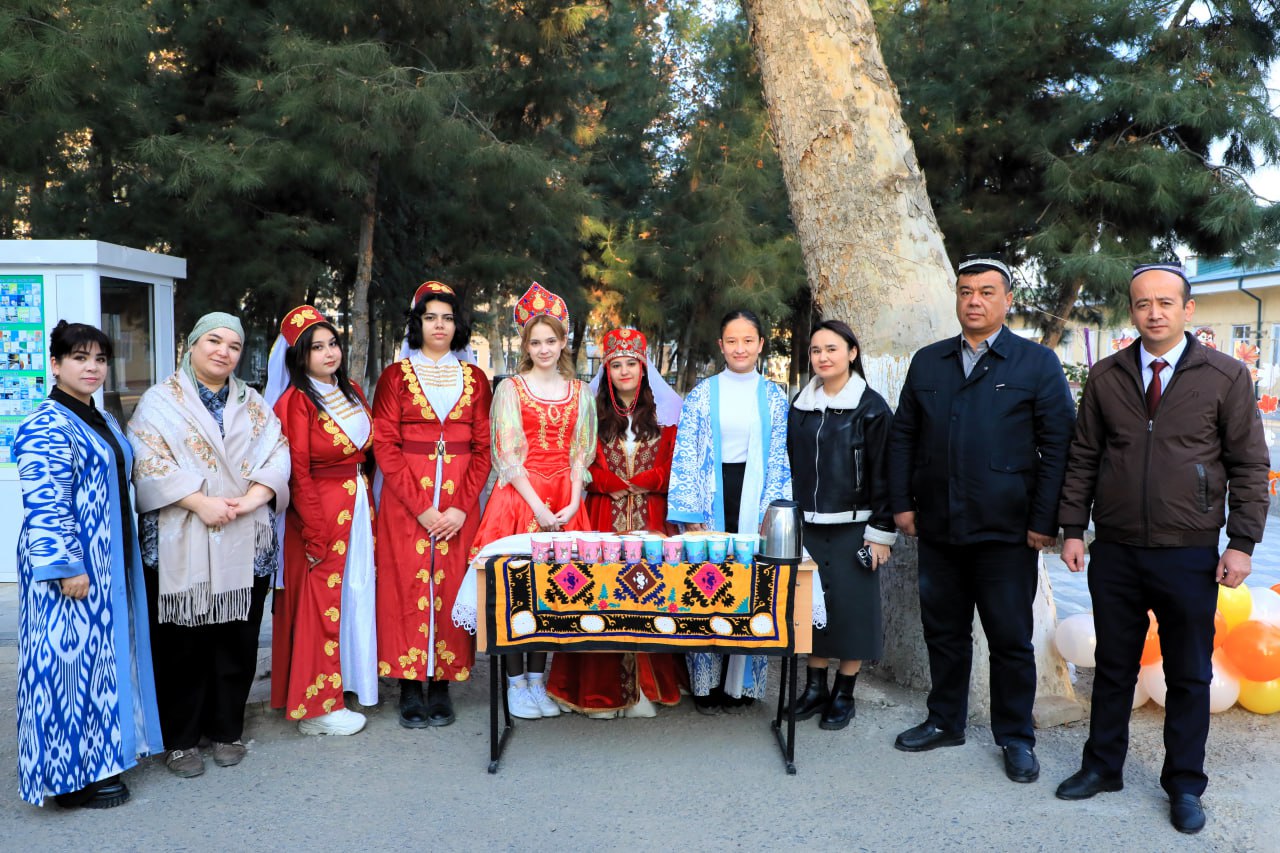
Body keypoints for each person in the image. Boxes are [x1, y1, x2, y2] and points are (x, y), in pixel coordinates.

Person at [1054, 263, 1269, 834]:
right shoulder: (1105, 377)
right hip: (1117, 551)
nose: (1154, 312)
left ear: (1187, 309)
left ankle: (1184, 785)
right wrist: (1072, 528)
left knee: (1189, 674)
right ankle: (1102, 767)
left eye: (1166, 302)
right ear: (1133, 310)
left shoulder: (1224, 377)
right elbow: (1082, 459)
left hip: (1188, 550)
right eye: (1143, 303)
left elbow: (1250, 465)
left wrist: (1242, 542)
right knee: (1114, 666)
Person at [887, 255, 1074, 782]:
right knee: (943, 631)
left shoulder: (1035, 364)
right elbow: (904, 435)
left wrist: (1046, 521)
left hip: (1008, 529)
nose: (975, 300)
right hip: (938, 526)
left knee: (1010, 638)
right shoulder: (928, 361)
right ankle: (945, 720)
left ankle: (1016, 737)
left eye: (987, 292)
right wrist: (902, 503)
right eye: (966, 291)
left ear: (1007, 300)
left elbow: (1058, 445)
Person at [128, 312, 291, 777]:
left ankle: (226, 730)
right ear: (193, 344)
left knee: (237, 640)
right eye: (214, 341)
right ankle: (181, 740)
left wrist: (254, 497)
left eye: (234, 345)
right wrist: (199, 502)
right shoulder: (160, 401)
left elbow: (277, 452)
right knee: (182, 643)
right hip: (183, 532)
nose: (223, 351)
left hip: (244, 532)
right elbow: (146, 460)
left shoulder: (254, 403)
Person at [14, 321, 164, 808]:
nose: (92, 367)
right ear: (55, 365)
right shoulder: (46, 423)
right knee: (63, 667)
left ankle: (97, 762)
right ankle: (66, 778)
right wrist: (65, 566)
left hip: (107, 561)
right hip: (71, 567)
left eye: (99, 359)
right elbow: (45, 502)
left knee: (99, 665)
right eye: (79, 358)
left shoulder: (101, 418)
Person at [545, 327, 687, 717]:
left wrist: (645, 482)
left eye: (631, 364)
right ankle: (600, 692)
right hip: (604, 517)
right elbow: (580, 462)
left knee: (649, 594)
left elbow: (677, 466)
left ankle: (642, 690)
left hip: (650, 519)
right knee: (600, 597)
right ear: (606, 371)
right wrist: (610, 484)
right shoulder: (591, 413)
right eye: (616, 365)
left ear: (644, 369)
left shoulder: (666, 415)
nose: (624, 372)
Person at [470, 282, 596, 720]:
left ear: (563, 342)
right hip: (521, 499)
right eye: (535, 341)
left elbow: (582, 451)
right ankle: (512, 683)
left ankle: (537, 683)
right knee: (515, 591)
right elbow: (507, 453)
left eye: (551, 340)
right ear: (525, 344)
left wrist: (573, 498)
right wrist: (538, 507)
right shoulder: (511, 390)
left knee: (553, 593)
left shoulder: (580, 392)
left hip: (565, 500)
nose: (544, 349)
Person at [374, 281, 493, 727]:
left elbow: (483, 448)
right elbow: (385, 444)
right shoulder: (394, 377)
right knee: (405, 586)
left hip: (460, 501)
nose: (439, 325)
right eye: (430, 317)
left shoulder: (476, 379)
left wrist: (462, 507)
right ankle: (408, 685)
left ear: (456, 324)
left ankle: (442, 683)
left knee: (450, 587)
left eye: (446, 317)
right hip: (407, 503)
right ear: (417, 323)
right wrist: (421, 506)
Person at [667, 309, 792, 713]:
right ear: (721, 345)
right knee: (705, 584)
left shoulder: (774, 396)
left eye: (748, 340)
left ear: (760, 344)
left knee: (752, 585)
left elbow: (780, 457)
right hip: (709, 495)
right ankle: (705, 684)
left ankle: (742, 687)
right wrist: (689, 514)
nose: (740, 348)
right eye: (732, 341)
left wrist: (770, 512)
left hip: (754, 497)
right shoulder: (703, 394)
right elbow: (685, 455)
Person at [265, 306, 377, 736]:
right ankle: (315, 707)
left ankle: (346, 682)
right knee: (318, 605)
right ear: (300, 356)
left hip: (358, 506)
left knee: (353, 594)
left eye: (333, 343)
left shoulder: (351, 391)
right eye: (317, 347)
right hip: (320, 511)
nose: (329, 352)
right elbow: (298, 468)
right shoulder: (294, 402)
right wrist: (314, 529)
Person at [787, 320, 896, 730]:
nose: (823, 357)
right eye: (816, 350)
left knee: (852, 612)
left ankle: (844, 693)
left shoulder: (871, 408)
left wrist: (880, 533)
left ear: (852, 353)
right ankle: (814, 689)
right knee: (813, 611)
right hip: (809, 526)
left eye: (832, 349)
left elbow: (886, 473)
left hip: (856, 526)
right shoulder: (800, 405)